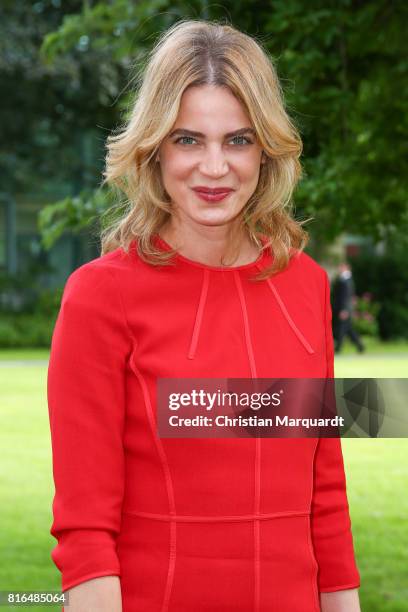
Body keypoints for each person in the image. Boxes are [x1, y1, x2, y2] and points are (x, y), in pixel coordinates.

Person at [47, 19, 361, 612]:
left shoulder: (307, 285)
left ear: (266, 149)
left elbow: (325, 492)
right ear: (154, 147)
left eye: (238, 140)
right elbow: (86, 532)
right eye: (188, 139)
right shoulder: (98, 296)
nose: (214, 168)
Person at [332, 262, 365, 354]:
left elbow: (345, 297)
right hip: (344, 309)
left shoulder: (346, 280)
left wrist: (344, 310)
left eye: (341, 267)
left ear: (346, 267)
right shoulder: (345, 279)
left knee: (342, 329)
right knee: (348, 329)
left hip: (344, 309)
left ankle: (338, 348)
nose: (339, 269)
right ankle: (360, 346)